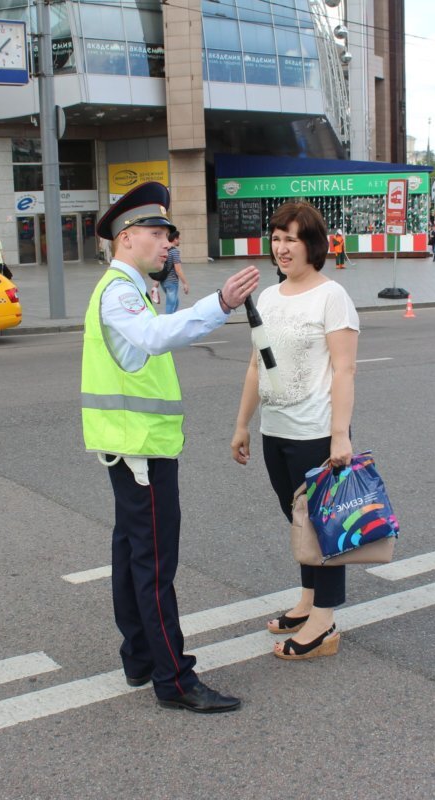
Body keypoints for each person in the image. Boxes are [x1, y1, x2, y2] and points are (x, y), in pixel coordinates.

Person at [82, 181, 258, 714]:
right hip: (141, 452)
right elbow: (157, 339)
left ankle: (140, 657)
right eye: (159, 234)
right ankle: (174, 679)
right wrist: (220, 303)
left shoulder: (130, 286)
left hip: (133, 447)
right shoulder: (118, 290)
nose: (168, 245)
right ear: (128, 236)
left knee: (133, 556)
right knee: (155, 565)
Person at [230, 200, 358, 661]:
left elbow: (344, 370)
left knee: (325, 527)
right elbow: (256, 364)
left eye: (292, 239)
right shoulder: (267, 297)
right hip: (276, 430)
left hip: (316, 433)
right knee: (299, 521)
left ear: (313, 245)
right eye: (277, 238)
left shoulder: (331, 296)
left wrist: (339, 435)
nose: (282, 248)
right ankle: (308, 601)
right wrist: (243, 424)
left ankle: (324, 623)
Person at [159, 229, 187, 313]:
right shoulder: (174, 252)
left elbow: (158, 266)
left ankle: (172, 319)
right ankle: (167, 323)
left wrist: (155, 284)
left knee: (175, 302)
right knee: (170, 305)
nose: (180, 240)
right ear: (175, 239)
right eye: (179, 239)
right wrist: (185, 283)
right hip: (171, 282)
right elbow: (178, 270)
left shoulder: (164, 249)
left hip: (163, 281)